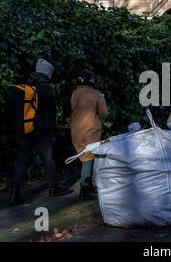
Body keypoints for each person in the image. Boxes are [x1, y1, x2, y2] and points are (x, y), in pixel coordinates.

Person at [9, 59, 72, 205]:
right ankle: (53, 187)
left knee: (22, 160)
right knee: (48, 158)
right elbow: (50, 112)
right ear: (47, 73)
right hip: (42, 130)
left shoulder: (28, 85)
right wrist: (52, 128)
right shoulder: (46, 87)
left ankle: (14, 193)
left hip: (27, 128)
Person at [69, 70, 108, 200]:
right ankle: (85, 190)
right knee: (88, 161)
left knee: (85, 159)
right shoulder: (97, 95)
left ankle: (88, 187)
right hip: (90, 132)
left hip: (75, 131)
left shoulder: (74, 94)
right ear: (91, 80)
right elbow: (103, 114)